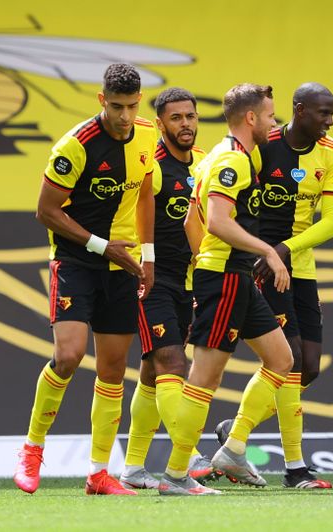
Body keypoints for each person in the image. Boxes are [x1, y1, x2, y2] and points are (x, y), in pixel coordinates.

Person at [13, 63, 157, 496]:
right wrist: (100, 245)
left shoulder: (147, 136)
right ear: (101, 101)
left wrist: (148, 257)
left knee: (113, 369)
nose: (125, 116)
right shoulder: (75, 146)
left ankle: (98, 472)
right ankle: (32, 449)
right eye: (117, 106)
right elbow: (46, 211)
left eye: (132, 106)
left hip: (123, 265)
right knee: (69, 356)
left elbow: (146, 193)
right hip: (77, 263)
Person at [157, 83, 295, 496]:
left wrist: (208, 262)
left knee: (281, 359)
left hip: (232, 276)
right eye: (271, 116)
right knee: (204, 378)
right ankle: (176, 475)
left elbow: (190, 223)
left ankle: (232, 450)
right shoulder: (231, 161)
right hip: (225, 278)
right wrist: (266, 252)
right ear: (251, 118)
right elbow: (216, 220)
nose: (275, 123)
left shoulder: (222, 156)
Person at [215, 82, 333, 489]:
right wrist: (264, 254)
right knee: (286, 362)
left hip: (297, 263)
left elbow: (332, 220)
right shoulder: (262, 144)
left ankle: (235, 431)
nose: (329, 121)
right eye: (322, 113)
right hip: (262, 266)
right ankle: (295, 468)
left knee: (307, 367)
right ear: (300, 110)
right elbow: (232, 200)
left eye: (332, 113)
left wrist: (287, 249)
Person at [119, 87, 218, 490]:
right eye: (176, 118)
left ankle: (132, 468)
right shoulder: (152, 167)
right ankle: (188, 458)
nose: (185, 125)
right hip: (152, 281)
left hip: (191, 283)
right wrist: (144, 266)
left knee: (149, 374)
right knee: (173, 365)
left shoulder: (204, 164)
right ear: (160, 124)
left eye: (190, 117)